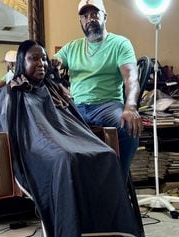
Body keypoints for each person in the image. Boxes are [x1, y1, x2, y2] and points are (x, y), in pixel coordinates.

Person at [0, 39, 142, 237]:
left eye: (44, 58)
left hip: (65, 141)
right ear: (20, 62)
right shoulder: (11, 92)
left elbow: (74, 124)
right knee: (65, 160)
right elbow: (11, 131)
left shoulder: (56, 90)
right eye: (34, 58)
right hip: (35, 150)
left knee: (105, 155)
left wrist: (79, 140)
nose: (41, 63)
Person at [53, 0, 143, 183]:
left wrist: (131, 107)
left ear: (105, 16)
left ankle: (117, 185)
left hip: (107, 106)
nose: (90, 19)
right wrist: (53, 64)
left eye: (95, 14)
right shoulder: (71, 47)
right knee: (48, 130)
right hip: (76, 108)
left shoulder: (120, 44)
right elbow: (55, 63)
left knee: (128, 128)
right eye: (85, 16)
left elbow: (131, 78)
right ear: (80, 21)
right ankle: (72, 189)